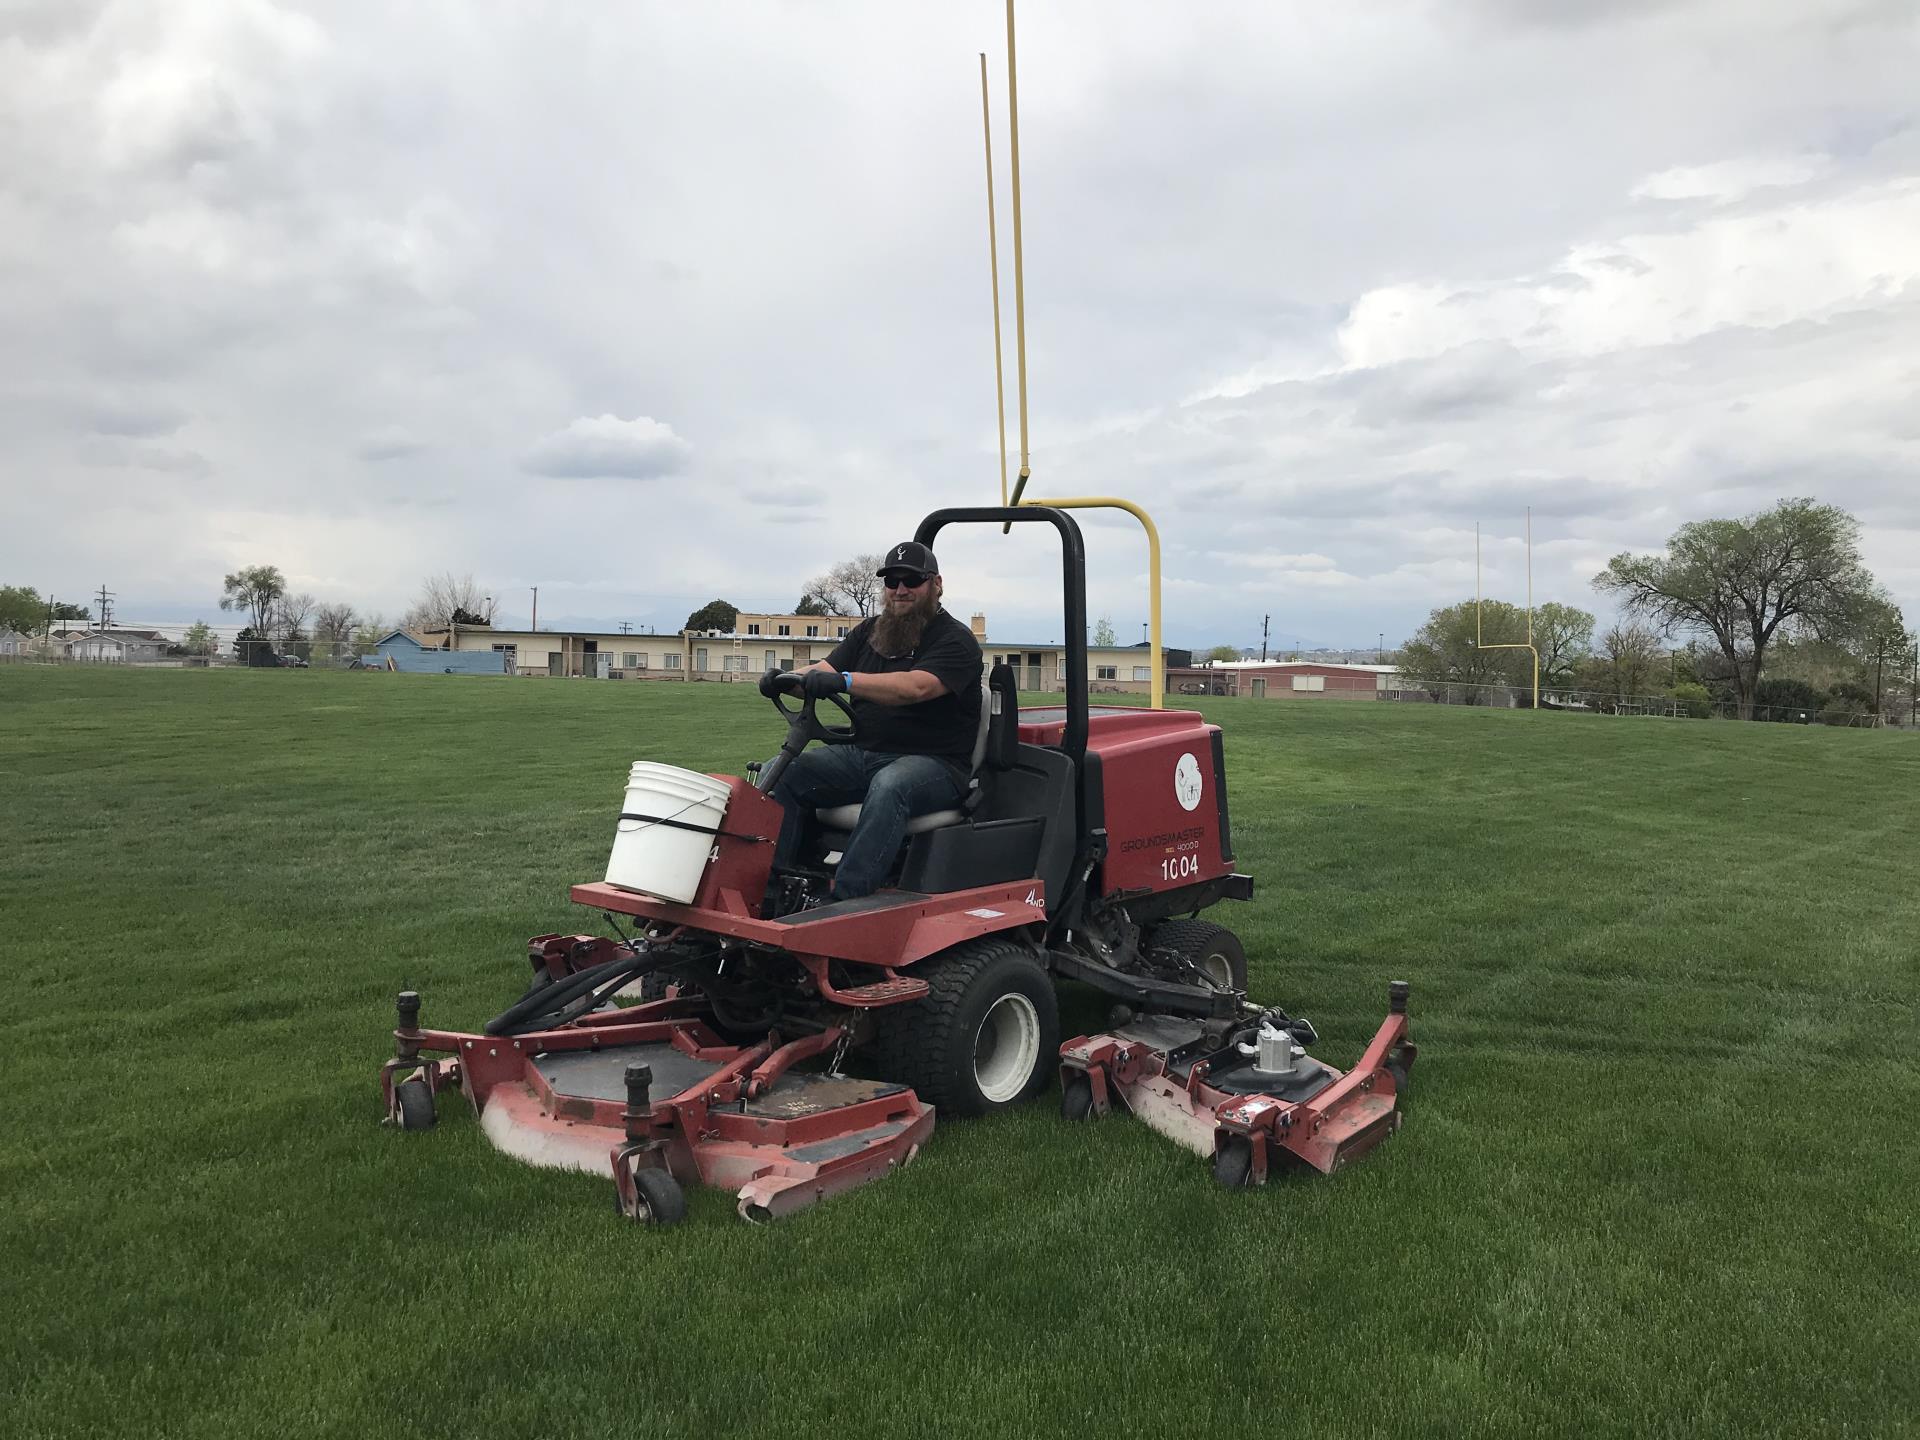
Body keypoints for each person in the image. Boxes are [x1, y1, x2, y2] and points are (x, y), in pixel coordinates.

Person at [759, 541, 983, 901]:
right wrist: (784, 680)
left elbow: (915, 687)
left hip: (936, 764)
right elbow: (823, 670)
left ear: (936, 584)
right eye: (892, 581)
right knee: (781, 771)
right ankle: (770, 890)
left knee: (891, 784)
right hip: (863, 754)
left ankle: (845, 901)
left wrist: (845, 681)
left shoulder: (956, 640)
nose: (900, 589)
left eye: (912, 580)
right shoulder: (870, 632)